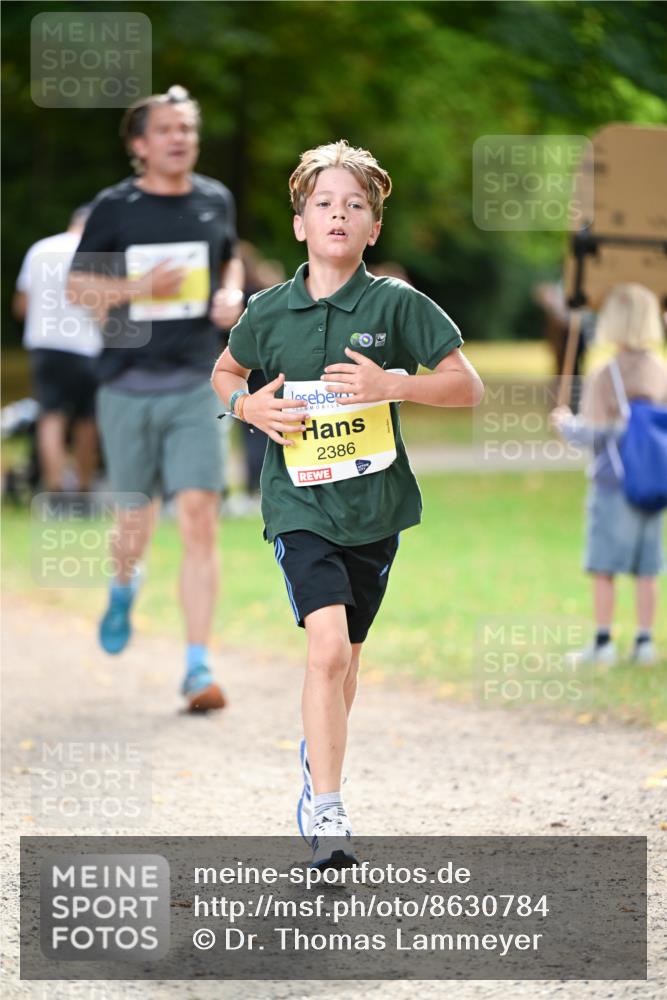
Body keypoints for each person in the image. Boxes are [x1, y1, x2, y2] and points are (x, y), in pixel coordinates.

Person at [211, 139, 484, 867]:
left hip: (375, 508)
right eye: (323, 204)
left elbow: (467, 387)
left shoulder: (396, 305)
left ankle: (318, 758)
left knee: (348, 658)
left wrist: (394, 384)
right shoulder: (268, 311)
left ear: (373, 227)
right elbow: (224, 371)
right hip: (297, 503)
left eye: (354, 205)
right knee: (325, 647)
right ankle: (326, 807)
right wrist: (246, 408)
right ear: (300, 223)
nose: (338, 214)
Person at [67, 85, 244, 712]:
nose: (180, 139)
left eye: (187, 129)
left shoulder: (214, 199)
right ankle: (123, 586)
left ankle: (198, 666)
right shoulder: (115, 207)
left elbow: (228, 262)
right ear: (140, 145)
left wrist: (231, 293)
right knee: (133, 527)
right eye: (166, 130)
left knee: (199, 520)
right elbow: (79, 291)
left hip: (198, 380)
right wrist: (139, 285)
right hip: (126, 383)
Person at [551, 283, 667, 666]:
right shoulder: (660, 371)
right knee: (646, 566)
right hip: (652, 481)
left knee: (604, 565)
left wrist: (566, 424)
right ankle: (645, 641)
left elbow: (596, 434)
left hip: (611, 483)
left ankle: (603, 643)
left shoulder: (605, 374)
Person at [13, 205, 102, 500]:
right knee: (87, 419)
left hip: (45, 344)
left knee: (51, 415)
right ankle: (84, 488)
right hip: (88, 346)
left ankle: (54, 488)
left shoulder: (40, 250)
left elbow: (22, 305)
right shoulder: (98, 253)